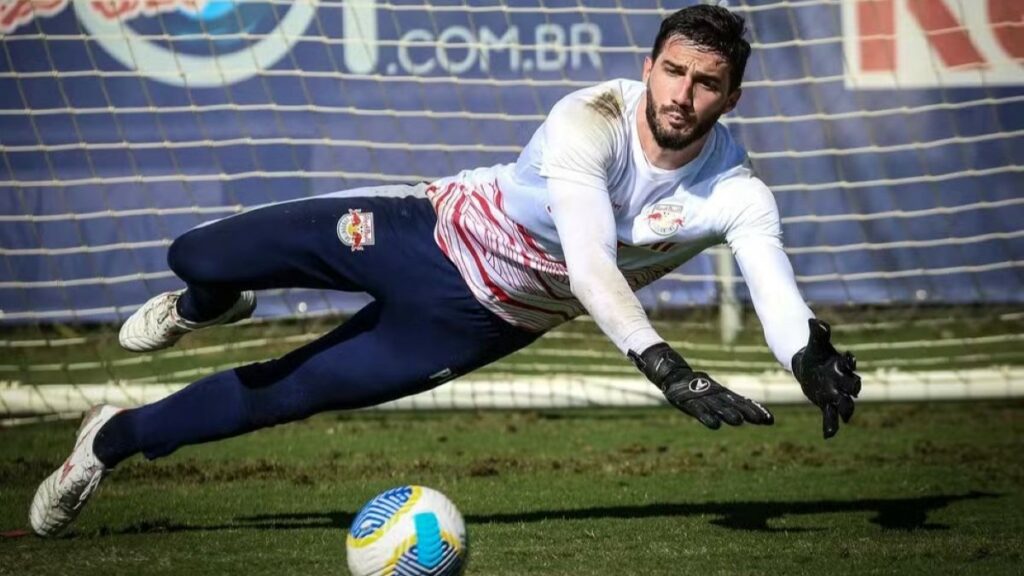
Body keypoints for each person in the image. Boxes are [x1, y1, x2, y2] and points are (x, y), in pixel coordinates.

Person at [29, 4, 861, 537]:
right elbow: (590, 262)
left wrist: (807, 357)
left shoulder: (738, 192)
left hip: (477, 321)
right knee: (195, 254)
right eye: (672, 71)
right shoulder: (589, 118)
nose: (682, 94)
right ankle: (210, 303)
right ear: (647, 67)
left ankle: (108, 439)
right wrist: (663, 363)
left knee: (291, 390)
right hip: (421, 231)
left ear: (732, 97)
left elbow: (772, 283)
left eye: (706, 82)